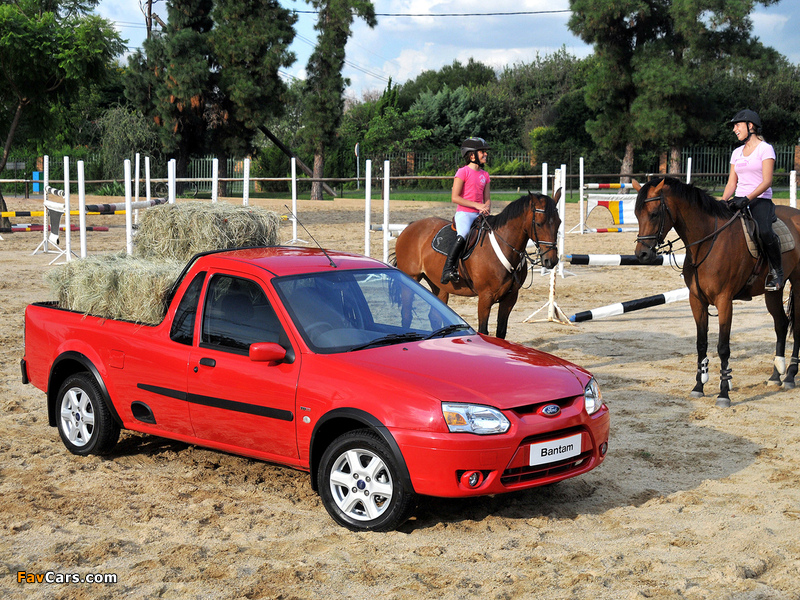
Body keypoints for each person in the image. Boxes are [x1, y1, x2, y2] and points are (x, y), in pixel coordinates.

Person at [721, 109, 782, 291]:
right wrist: (722, 201)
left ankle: (777, 272)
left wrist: (747, 198)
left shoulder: (765, 149)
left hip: (760, 200)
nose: (734, 129)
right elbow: (732, 183)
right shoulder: (736, 152)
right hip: (738, 199)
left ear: (751, 126)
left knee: (764, 231)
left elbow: (767, 181)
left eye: (737, 125)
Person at [441, 137, 492, 284]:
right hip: (465, 213)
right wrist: (477, 206)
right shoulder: (463, 172)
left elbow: (487, 198)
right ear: (472, 156)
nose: (485, 154)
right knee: (463, 234)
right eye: (482, 152)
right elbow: (455, 197)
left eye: (485, 152)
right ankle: (448, 269)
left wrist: (486, 207)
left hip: (480, 214)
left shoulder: (485, 175)